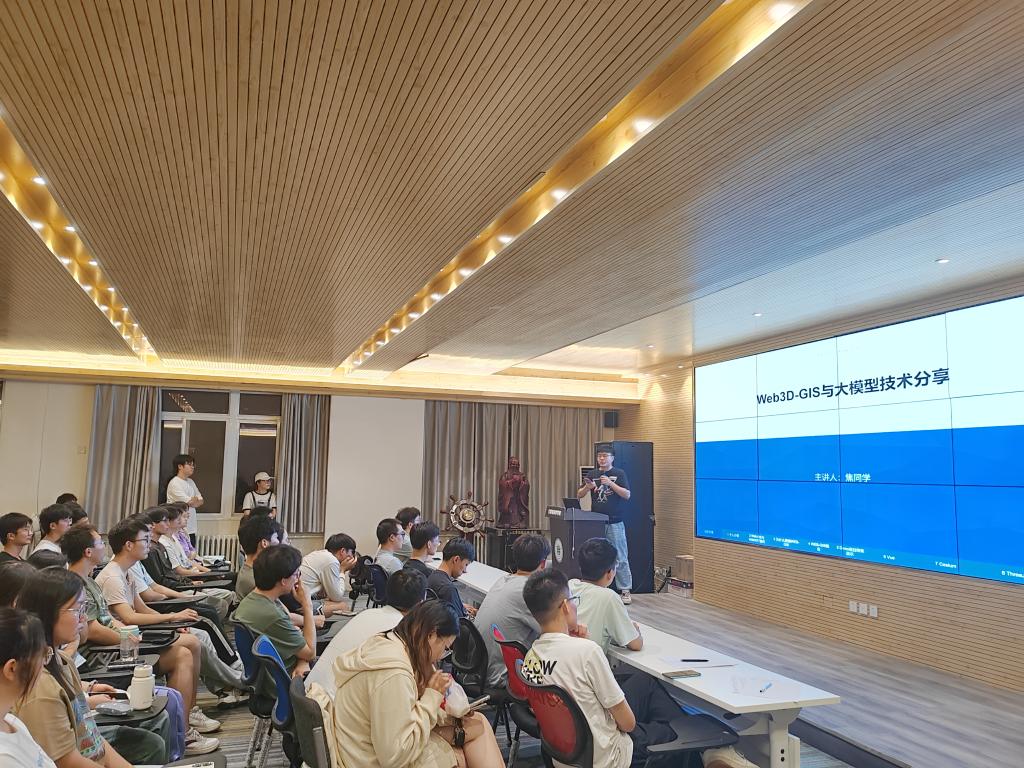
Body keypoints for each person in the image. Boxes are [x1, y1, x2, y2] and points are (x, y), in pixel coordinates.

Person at [62, 523, 236, 744]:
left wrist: (162, 626)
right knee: (183, 653)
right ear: (88, 551)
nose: (104, 546)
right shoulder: (78, 585)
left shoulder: (89, 581)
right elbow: (93, 631)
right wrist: (132, 637)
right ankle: (182, 734)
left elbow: (112, 619)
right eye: (99, 542)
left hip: (118, 642)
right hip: (100, 654)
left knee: (191, 642)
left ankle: (188, 714)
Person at [521, 569, 687, 768]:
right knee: (677, 734)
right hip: (609, 757)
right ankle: (707, 750)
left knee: (644, 683)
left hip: (563, 756)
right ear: (565, 606)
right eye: (573, 600)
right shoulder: (586, 652)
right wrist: (585, 645)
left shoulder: (530, 657)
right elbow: (628, 724)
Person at [13, 568, 168, 767]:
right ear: (47, 612)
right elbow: (67, 762)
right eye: (77, 610)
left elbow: (92, 735)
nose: (83, 618)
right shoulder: (40, 687)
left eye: (84, 608)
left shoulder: (62, 660)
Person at [327, 600, 504, 768]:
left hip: (359, 746)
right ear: (431, 635)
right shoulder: (394, 673)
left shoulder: (389, 641)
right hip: (368, 758)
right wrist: (432, 697)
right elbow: (394, 756)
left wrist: (436, 703)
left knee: (477, 724)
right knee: (467, 744)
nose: (441, 656)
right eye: (445, 648)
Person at [306, 569, 426, 697]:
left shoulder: (366, 614)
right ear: (421, 603)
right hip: (330, 703)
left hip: (309, 691)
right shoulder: (400, 632)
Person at [232, 545, 317, 687]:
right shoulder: (272, 615)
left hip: (275, 671)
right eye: (297, 574)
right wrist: (307, 605)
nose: (298, 579)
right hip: (285, 680)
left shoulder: (255, 598)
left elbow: (299, 642)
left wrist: (303, 660)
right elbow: (310, 653)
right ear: (283, 581)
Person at [474, 533, 549, 686]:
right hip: (502, 676)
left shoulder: (503, 580)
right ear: (543, 564)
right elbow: (554, 631)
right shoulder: (529, 591)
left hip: (479, 670)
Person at [578, 442, 633, 604]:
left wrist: (610, 484)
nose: (601, 459)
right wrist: (587, 488)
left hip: (615, 521)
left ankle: (625, 590)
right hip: (596, 522)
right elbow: (579, 494)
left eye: (604, 456)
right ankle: (597, 587)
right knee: (595, 555)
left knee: (620, 556)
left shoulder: (619, 473)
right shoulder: (593, 473)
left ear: (612, 458)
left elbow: (627, 495)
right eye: (599, 456)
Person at [0, 607, 55, 767]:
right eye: (42, 656)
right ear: (12, 668)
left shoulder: (12, 722)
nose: (43, 666)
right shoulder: (4, 758)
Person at [571, 537, 643, 654]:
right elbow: (636, 644)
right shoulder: (608, 597)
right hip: (587, 662)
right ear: (610, 573)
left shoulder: (570, 585)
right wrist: (635, 631)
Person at [300, 533, 357, 616]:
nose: (353, 556)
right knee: (342, 606)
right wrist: (342, 571)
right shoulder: (331, 561)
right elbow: (337, 597)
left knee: (331, 601)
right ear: (342, 551)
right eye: (352, 552)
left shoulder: (321, 555)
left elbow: (329, 594)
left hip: (298, 597)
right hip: (298, 603)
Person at [426, 538, 476, 619]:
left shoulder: (432, 577)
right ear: (456, 559)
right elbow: (460, 622)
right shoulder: (448, 589)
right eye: (466, 565)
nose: (465, 571)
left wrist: (460, 605)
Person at [236, 514, 279, 601]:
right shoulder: (257, 582)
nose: (278, 542)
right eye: (276, 538)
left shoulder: (251, 571)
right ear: (264, 543)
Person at [165, 453, 202, 544]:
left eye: (193, 465)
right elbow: (190, 502)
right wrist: (194, 500)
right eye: (189, 464)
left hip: (191, 526)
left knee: (192, 551)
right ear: (180, 466)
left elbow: (201, 500)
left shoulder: (191, 481)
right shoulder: (175, 483)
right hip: (178, 528)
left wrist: (194, 500)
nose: (192, 467)